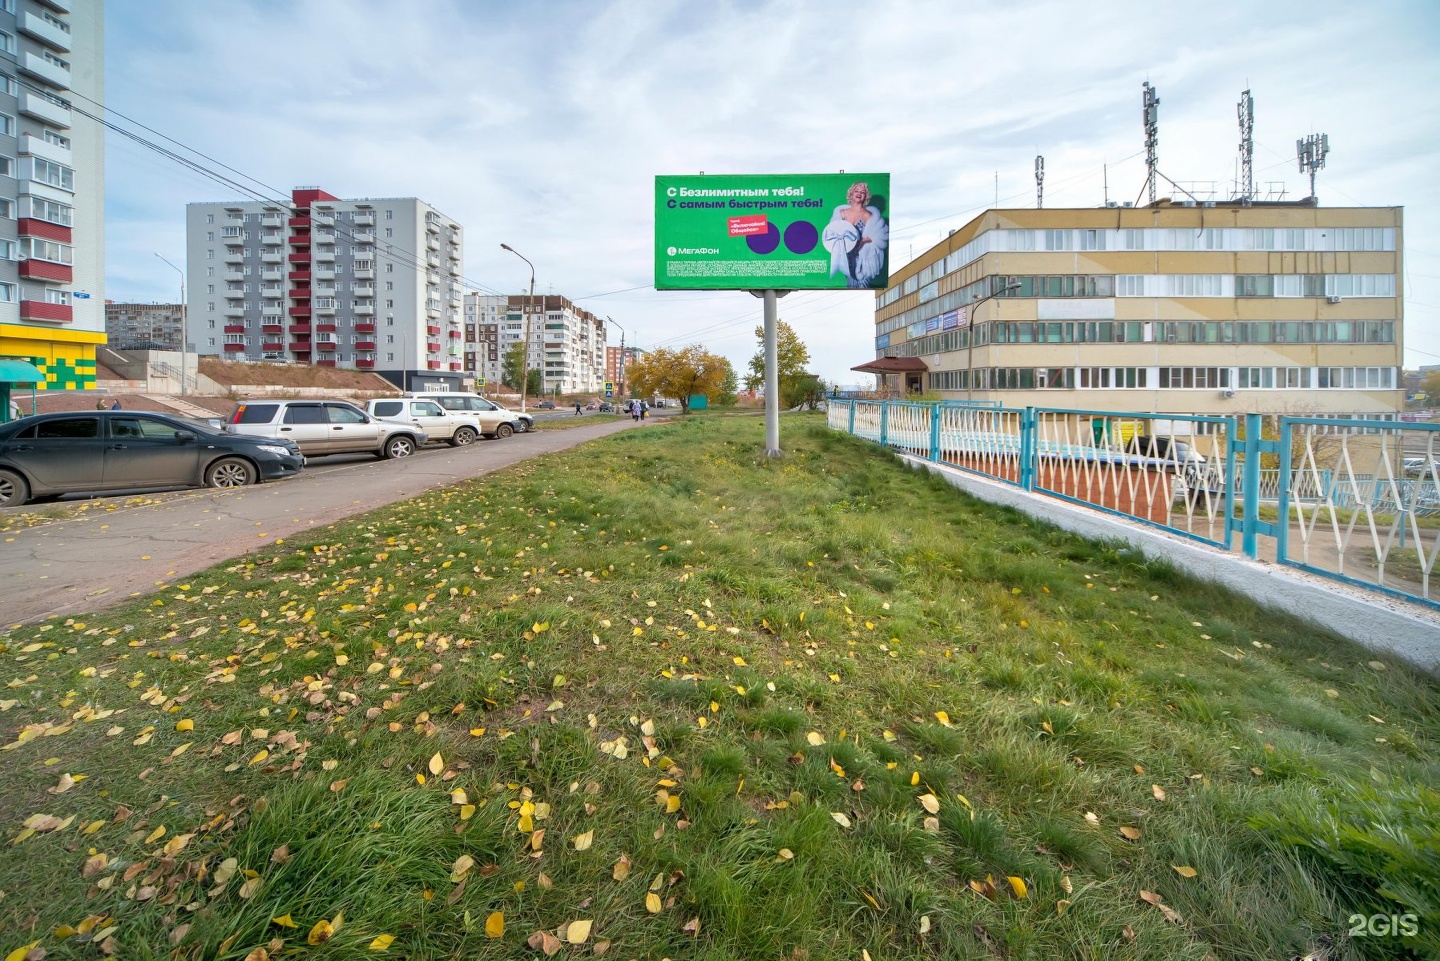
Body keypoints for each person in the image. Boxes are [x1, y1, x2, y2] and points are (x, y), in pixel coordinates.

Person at [822, 181, 889, 288]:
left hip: (861, 259)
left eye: (862, 192)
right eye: (856, 191)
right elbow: (832, 233)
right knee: (850, 285)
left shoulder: (868, 215)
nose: (859, 194)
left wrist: (863, 241)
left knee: (862, 285)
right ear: (851, 194)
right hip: (846, 257)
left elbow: (879, 236)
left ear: (866, 196)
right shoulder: (841, 213)